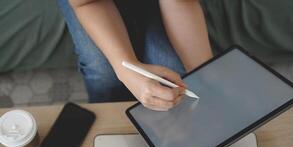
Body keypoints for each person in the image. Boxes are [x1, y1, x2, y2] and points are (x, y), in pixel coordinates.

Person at [57, 0, 213, 111]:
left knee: (170, 66)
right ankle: (104, 109)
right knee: (102, 68)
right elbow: (87, 3)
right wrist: (124, 67)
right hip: (90, 2)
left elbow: (180, 2)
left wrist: (204, 73)